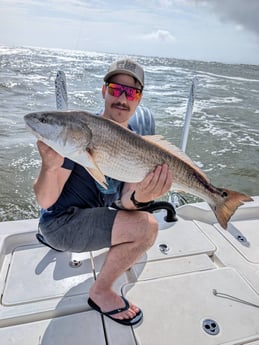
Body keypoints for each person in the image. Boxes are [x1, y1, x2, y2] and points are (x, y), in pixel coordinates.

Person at [34, 58, 173, 326]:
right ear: (103, 91)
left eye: (130, 92)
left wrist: (143, 197)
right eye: (115, 89)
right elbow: (45, 200)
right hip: (60, 224)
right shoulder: (80, 132)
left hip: (94, 214)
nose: (122, 98)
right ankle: (100, 292)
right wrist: (49, 167)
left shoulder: (138, 138)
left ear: (139, 99)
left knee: (139, 229)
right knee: (148, 229)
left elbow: (126, 203)